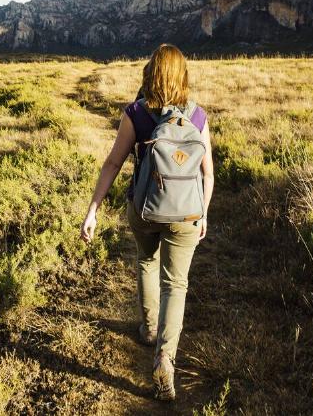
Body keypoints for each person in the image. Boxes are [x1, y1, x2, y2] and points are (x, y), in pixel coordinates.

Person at [80, 44, 214, 401]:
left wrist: (92, 210)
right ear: (182, 75)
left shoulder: (136, 113)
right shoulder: (198, 117)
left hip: (143, 209)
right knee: (177, 283)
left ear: (150, 73)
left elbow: (112, 164)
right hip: (186, 213)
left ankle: (150, 329)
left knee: (146, 261)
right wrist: (202, 213)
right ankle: (165, 360)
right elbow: (208, 174)